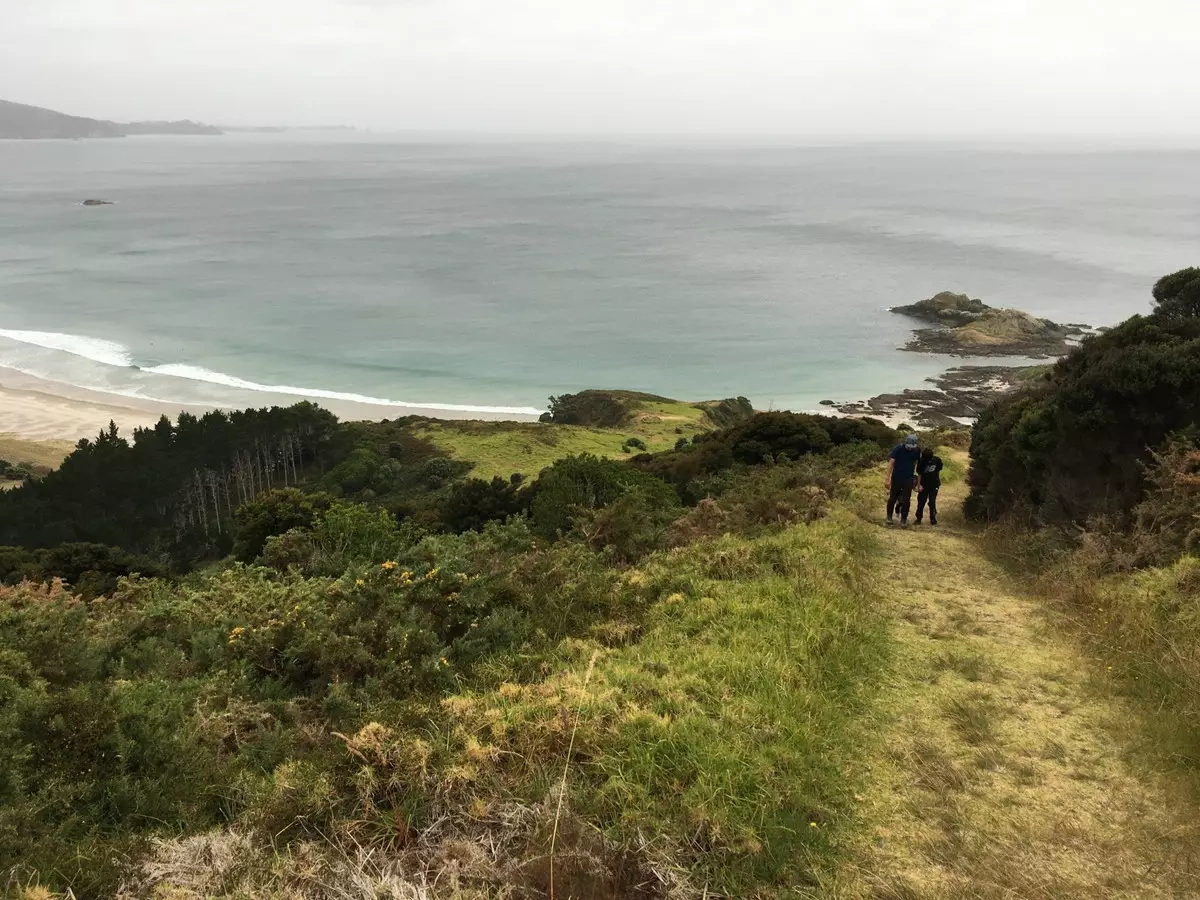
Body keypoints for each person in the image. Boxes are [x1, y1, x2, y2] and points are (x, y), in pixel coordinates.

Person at [886, 433, 921, 527]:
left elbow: (919, 467)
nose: (910, 448)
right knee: (893, 497)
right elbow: (891, 463)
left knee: (906, 500)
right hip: (897, 477)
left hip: (908, 478)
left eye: (912, 447)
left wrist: (918, 482)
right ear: (905, 443)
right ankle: (889, 516)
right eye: (909, 446)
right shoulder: (898, 448)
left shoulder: (917, 450)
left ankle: (904, 519)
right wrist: (887, 479)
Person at [915, 446, 944, 526]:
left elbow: (939, 470)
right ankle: (918, 518)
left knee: (932, 501)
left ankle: (933, 519)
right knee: (921, 502)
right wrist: (919, 485)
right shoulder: (921, 461)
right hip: (924, 485)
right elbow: (919, 474)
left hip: (934, 484)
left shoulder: (937, 460)